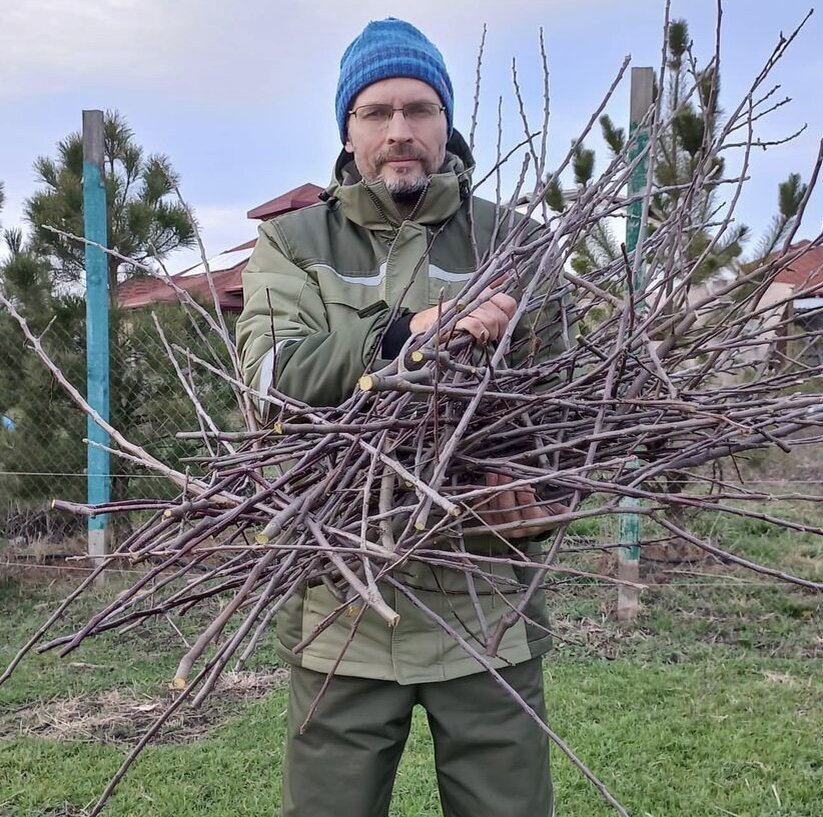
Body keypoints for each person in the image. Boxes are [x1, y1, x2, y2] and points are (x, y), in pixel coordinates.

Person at [236, 18, 560, 817]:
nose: (400, 131)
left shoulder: (517, 243)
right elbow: (270, 379)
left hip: (485, 603)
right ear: (347, 129)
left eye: (419, 109)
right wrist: (401, 334)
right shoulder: (291, 243)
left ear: (447, 122)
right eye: (376, 113)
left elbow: (566, 408)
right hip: (342, 610)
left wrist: (529, 485)